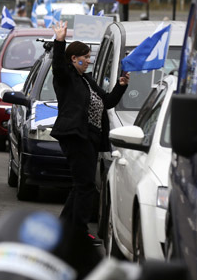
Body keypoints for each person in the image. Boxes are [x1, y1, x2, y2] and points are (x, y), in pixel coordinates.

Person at [50, 21, 130, 246]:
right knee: (85, 186)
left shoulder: (87, 79)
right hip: (76, 136)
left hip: (90, 138)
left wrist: (121, 85)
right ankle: (79, 232)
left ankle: (65, 229)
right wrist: (60, 41)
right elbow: (58, 64)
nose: (89, 60)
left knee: (80, 185)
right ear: (74, 59)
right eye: (86, 57)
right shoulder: (65, 77)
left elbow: (107, 102)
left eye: (90, 57)